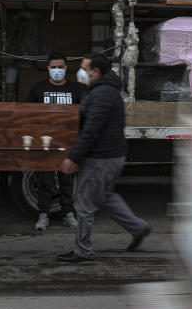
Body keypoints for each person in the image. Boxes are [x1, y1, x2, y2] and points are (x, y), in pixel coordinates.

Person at [57, 53, 151, 263]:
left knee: (83, 204)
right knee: (104, 197)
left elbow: (91, 131)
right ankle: (139, 227)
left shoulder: (102, 94)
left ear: (96, 72)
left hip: (101, 158)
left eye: (84, 68)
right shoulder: (102, 90)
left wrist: (73, 158)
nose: (80, 72)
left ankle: (83, 250)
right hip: (110, 156)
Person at [25, 52, 83, 231]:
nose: (57, 70)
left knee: (67, 180)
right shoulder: (38, 88)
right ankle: (43, 215)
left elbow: (84, 115)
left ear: (66, 68)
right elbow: (28, 113)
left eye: (60, 67)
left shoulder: (76, 89)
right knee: (45, 180)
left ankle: (68, 214)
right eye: (53, 67)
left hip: (67, 140)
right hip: (45, 142)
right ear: (48, 69)